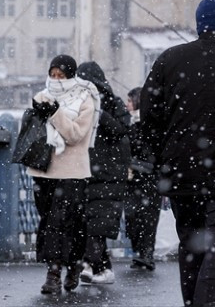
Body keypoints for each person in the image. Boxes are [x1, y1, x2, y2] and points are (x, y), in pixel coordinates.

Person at [141, 0, 215, 306]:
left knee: (193, 246)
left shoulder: (169, 60)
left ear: (201, 27)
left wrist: (161, 160)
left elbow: (149, 117)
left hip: (183, 175)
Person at [27, 54, 100, 295]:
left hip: (72, 172)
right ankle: (58, 267)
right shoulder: (41, 96)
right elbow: (33, 131)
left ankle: (60, 271)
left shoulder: (84, 99)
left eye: (61, 75)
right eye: (53, 75)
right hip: (43, 170)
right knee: (48, 222)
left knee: (67, 222)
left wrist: (55, 113)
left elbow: (76, 134)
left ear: (71, 75)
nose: (56, 79)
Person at [75, 61, 131, 286]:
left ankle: (90, 265)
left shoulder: (113, 105)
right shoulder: (77, 105)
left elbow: (121, 130)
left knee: (96, 224)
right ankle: (101, 268)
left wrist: (99, 113)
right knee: (89, 223)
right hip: (85, 171)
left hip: (106, 175)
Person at [124, 86, 160, 270]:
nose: (127, 104)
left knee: (147, 216)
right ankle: (140, 252)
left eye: (130, 101)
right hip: (133, 176)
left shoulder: (147, 123)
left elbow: (144, 148)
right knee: (133, 216)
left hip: (147, 176)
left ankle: (146, 254)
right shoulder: (127, 122)